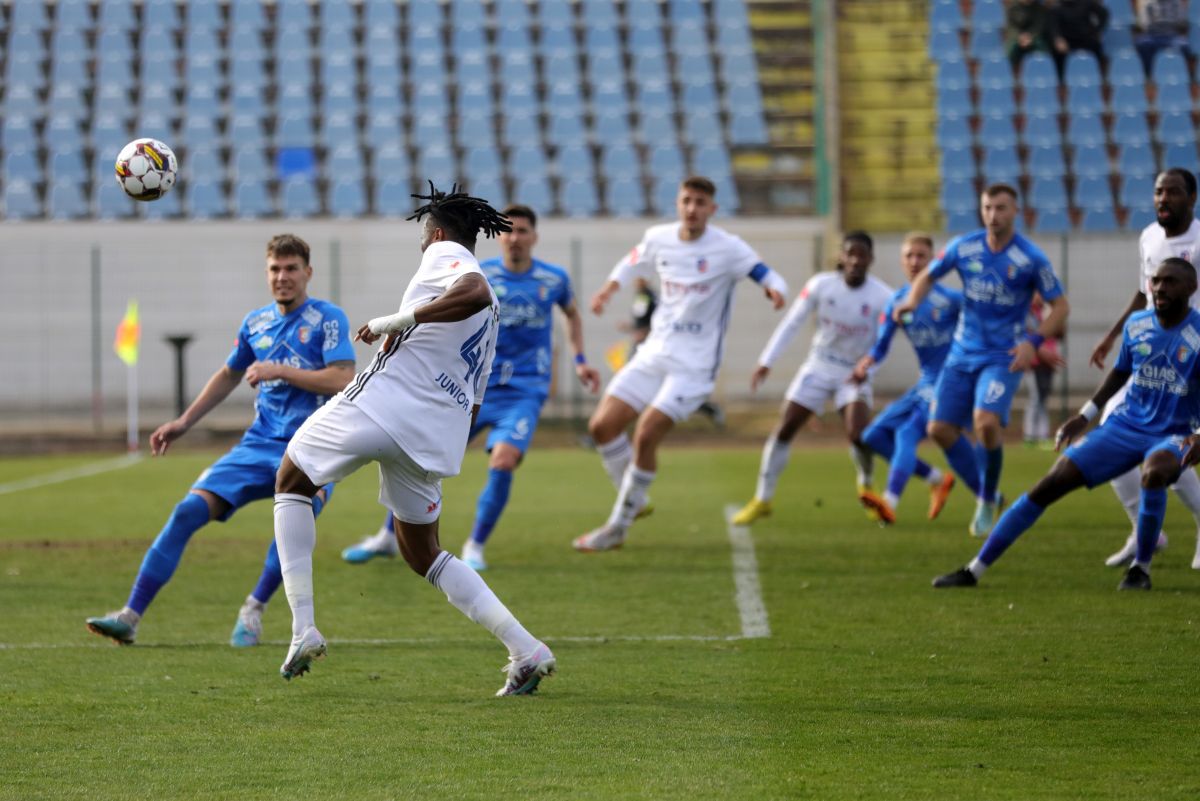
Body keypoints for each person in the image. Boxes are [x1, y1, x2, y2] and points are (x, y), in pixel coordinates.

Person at [271, 184, 555, 696]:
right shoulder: (490, 323)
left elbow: (475, 290)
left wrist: (398, 320)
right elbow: (474, 397)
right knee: (423, 553)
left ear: (439, 232)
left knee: (291, 478)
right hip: (432, 433)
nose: (423, 246)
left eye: (424, 236)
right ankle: (526, 648)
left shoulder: (450, 257)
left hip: (382, 405)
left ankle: (302, 627)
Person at [85, 234, 355, 646]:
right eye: (275, 269)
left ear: (308, 273)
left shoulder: (328, 318)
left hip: (311, 447)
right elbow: (230, 374)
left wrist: (280, 371)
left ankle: (253, 609)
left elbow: (342, 377)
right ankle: (130, 615)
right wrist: (184, 422)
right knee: (187, 511)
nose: (282, 277)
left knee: (293, 532)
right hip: (258, 444)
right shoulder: (255, 323)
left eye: (291, 269)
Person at [340, 203, 601, 571]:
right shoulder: (480, 274)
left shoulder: (553, 279)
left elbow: (573, 314)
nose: (515, 238)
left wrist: (580, 360)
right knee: (420, 455)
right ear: (500, 237)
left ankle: (475, 545)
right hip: (474, 385)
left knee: (505, 458)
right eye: (508, 231)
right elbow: (437, 306)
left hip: (525, 389)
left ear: (534, 238)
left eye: (523, 231)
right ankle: (387, 538)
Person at [933, 258, 1200, 591]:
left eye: (1170, 282)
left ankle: (1140, 569)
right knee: (1050, 483)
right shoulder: (1137, 324)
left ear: (1192, 288)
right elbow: (1120, 372)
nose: (1160, 288)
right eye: (1156, 281)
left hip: (1176, 433)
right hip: (1125, 427)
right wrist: (1084, 416)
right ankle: (974, 570)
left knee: (1155, 471)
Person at [575, 175, 788, 551]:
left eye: (700, 202)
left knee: (645, 433)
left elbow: (767, 274)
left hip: (694, 367)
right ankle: (635, 500)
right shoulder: (659, 237)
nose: (692, 209)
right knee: (602, 426)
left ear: (712, 209)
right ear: (678, 203)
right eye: (687, 200)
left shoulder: (728, 247)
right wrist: (610, 288)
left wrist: (775, 290)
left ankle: (618, 527)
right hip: (655, 352)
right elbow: (632, 261)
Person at [893, 184, 1070, 538]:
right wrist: (912, 301)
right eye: (987, 208)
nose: (993, 215)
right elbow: (929, 275)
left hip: (1003, 356)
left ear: (1015, 211)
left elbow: (1061, 307)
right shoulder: (964, 246)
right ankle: (987, 491)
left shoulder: (1030, 257)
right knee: (938, 429)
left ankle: (987, 498)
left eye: (1001, 208)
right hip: (961, 353)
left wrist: (1033, 343)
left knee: (985, 423)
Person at [731, 232, 893, 525]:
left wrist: (868, 371)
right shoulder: (821, 285)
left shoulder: (883, 297)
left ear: (871, 259)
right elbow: (792, 322)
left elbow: (885, 342)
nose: (856, 260)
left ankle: (866, 487)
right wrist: (766, 360)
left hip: (854, 372)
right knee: (784, 428)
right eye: (850, 254)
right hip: (819, 366)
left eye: (862, 255)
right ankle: (763, 499)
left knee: (859, 435)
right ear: (842, 257)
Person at [1089, 168, 1200, 569]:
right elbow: (1144, 292)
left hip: (1192, 358)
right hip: (1154, 351)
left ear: (1192, 198)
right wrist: (1112, 336)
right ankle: (1144, 529)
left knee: (1171, 438)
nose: (1163, 199)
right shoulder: (1149, 237)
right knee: (1111, 422)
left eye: (1173, 191)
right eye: (1158, 191)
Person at [851, 233, 978, 525]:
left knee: (906, 434)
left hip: (948, 383)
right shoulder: (897, 303)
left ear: (933, 261)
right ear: (901, 261)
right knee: (872, 436)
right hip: (925, 383)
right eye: (909, 255)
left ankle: (890, 501)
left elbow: (983, 319)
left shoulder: (950, 300)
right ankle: (936, 478)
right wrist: (867, 363)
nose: (914, 261)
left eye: (921, 255)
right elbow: (881, 346)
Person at [1021, 294, 1065, 448]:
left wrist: (1055, 314)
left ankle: (1042, 435)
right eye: (1036, 294)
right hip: (1034, 362)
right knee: (1035, 397)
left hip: (1048, 363)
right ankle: (1030, 435)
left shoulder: (1048, 312)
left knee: (1043, 399)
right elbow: (1024, 337)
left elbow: (1060, 334)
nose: (1039, 297)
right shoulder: (1026, 313)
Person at [1133, 0, 1188, 75]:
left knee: (1183, 45)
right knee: (1142, 43)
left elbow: (1181, 21)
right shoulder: (1149, 4)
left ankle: (1177, 73)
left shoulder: (1176, 4)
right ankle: (1149, 74)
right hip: (1153, 36)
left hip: (1171, 36)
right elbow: (1143, 24)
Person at [1050, 0, 1109, 70]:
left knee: (1097, 46)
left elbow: (1104, 14)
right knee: (1056, 51)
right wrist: (1057, 39)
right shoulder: (1057, 7)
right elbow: (1053, 25)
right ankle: (1060, 78)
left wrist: (1097, 30)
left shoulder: (1087, 2)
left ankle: (1101, 75)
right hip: (1067, 41)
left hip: (1086, 38)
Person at [1006, 0, 1056, 69]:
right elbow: (1011, 27)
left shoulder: (1038, 8)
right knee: (1009, 49)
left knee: (1042, 48)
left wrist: (1030, 36)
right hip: (1017, 38)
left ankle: (1042, 71)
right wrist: (1019, 37)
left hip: (1034, 37)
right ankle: (1009, 74)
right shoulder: (1013, 7)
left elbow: (1039, 26)